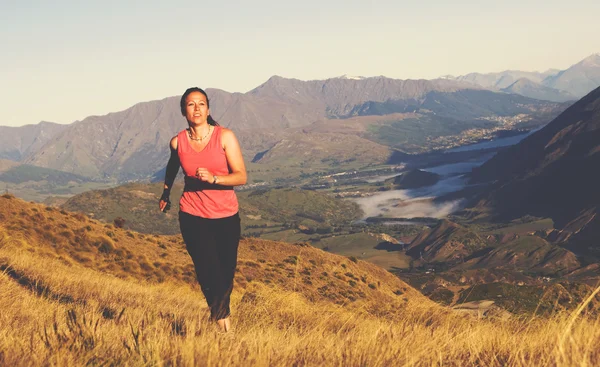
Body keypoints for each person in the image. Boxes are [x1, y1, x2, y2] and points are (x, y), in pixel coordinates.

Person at [159, 87, 247, 332]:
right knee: (207, 271)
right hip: (192, 215)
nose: (196, 108)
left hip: (226, 216)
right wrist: (166, 192)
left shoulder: (225, 136)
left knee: (226, 273)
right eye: (190, 104)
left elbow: (241, 177)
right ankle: (224, 328)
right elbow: (172, 166)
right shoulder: (178, 141)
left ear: (208, 109)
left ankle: (218, 316)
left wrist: (215, 179)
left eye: (201, 104)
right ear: (183, 111)